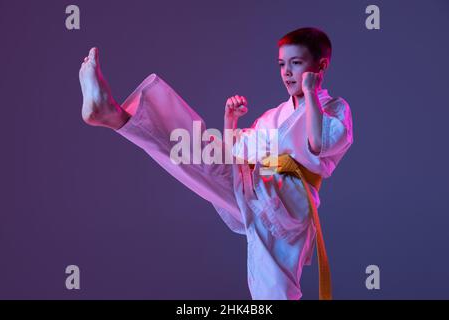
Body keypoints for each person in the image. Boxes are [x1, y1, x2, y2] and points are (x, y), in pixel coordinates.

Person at [79, 27, 353, 300]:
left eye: (296, 63)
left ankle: (112, 114)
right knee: (200, 154)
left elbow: (317, 143)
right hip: (259, 185)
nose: (287, 72)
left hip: (290, 206)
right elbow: (235, 152)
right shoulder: (276, 115)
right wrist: (230, 121)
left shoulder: (334, 108)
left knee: (274, 292)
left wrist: (311, 93)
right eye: (282, 64)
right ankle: (113, 115)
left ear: (321, 66)